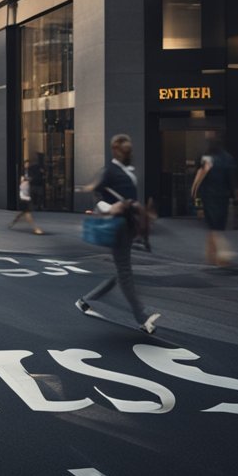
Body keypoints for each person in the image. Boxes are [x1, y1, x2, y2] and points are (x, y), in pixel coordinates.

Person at [76, 134, 161, 334]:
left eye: (130, 150)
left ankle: (86, 300)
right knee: (124, 271)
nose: (128, 153)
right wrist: (109, 207)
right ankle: (142, 318)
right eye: (125, 150)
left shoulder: (128, 171)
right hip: (117, 225)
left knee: (121, 270)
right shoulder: (110, 171)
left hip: (129, 225)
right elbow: (96, 194)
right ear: (115, 150)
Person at [191, 136, 236, 267]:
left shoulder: (207, 159)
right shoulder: (228, 158)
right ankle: (212, 256)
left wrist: (196, 195)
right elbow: (230, 179)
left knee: (213, 227)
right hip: (223, 197)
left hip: (209, 197)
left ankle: (223, 255)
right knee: (217, 226)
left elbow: (200, 178)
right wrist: (234, 194)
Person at [9, 163, 44, 234]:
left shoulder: (30, 179)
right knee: (27, 213)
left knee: (24, 212)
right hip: (24, 197)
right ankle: (36, 229)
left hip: (26, 196)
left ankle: (13, 222)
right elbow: (23, 184)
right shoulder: (25, 178)